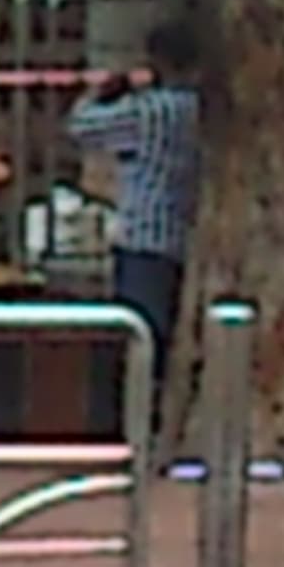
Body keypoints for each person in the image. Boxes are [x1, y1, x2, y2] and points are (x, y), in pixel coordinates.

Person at [69, 21, 202, 407]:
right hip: (189, 238)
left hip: (147, 240)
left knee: (141, 344)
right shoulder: (202, 111)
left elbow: (82, 127)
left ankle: (136, 428)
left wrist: (104, 92)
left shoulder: (150, 112)